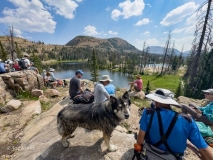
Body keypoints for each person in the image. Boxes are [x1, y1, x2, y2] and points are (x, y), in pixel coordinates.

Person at [136, 88, 213, 160]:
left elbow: (140, 139)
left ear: (156, 101)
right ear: (170, 103)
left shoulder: (148, 113)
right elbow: (203, 149)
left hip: (150, 155)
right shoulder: (187, 121)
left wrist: (138, 150)